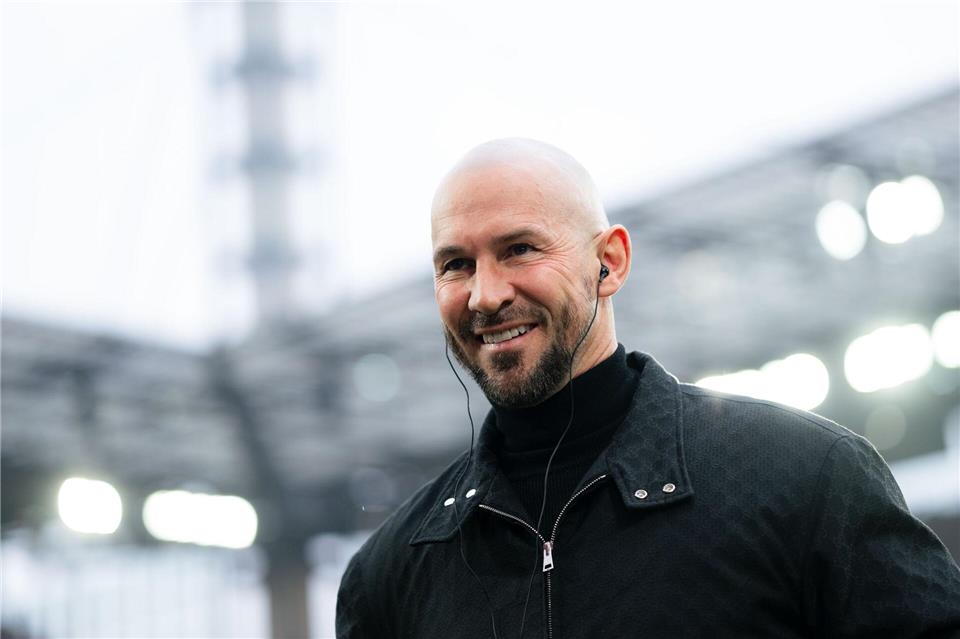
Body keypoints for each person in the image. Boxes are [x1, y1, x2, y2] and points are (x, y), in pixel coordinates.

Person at [336, 138, 960, 638]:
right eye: (456, 265)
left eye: (520, 249)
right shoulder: (389, 574)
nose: (486, 294)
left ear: (610, 261)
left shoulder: (808, 478)